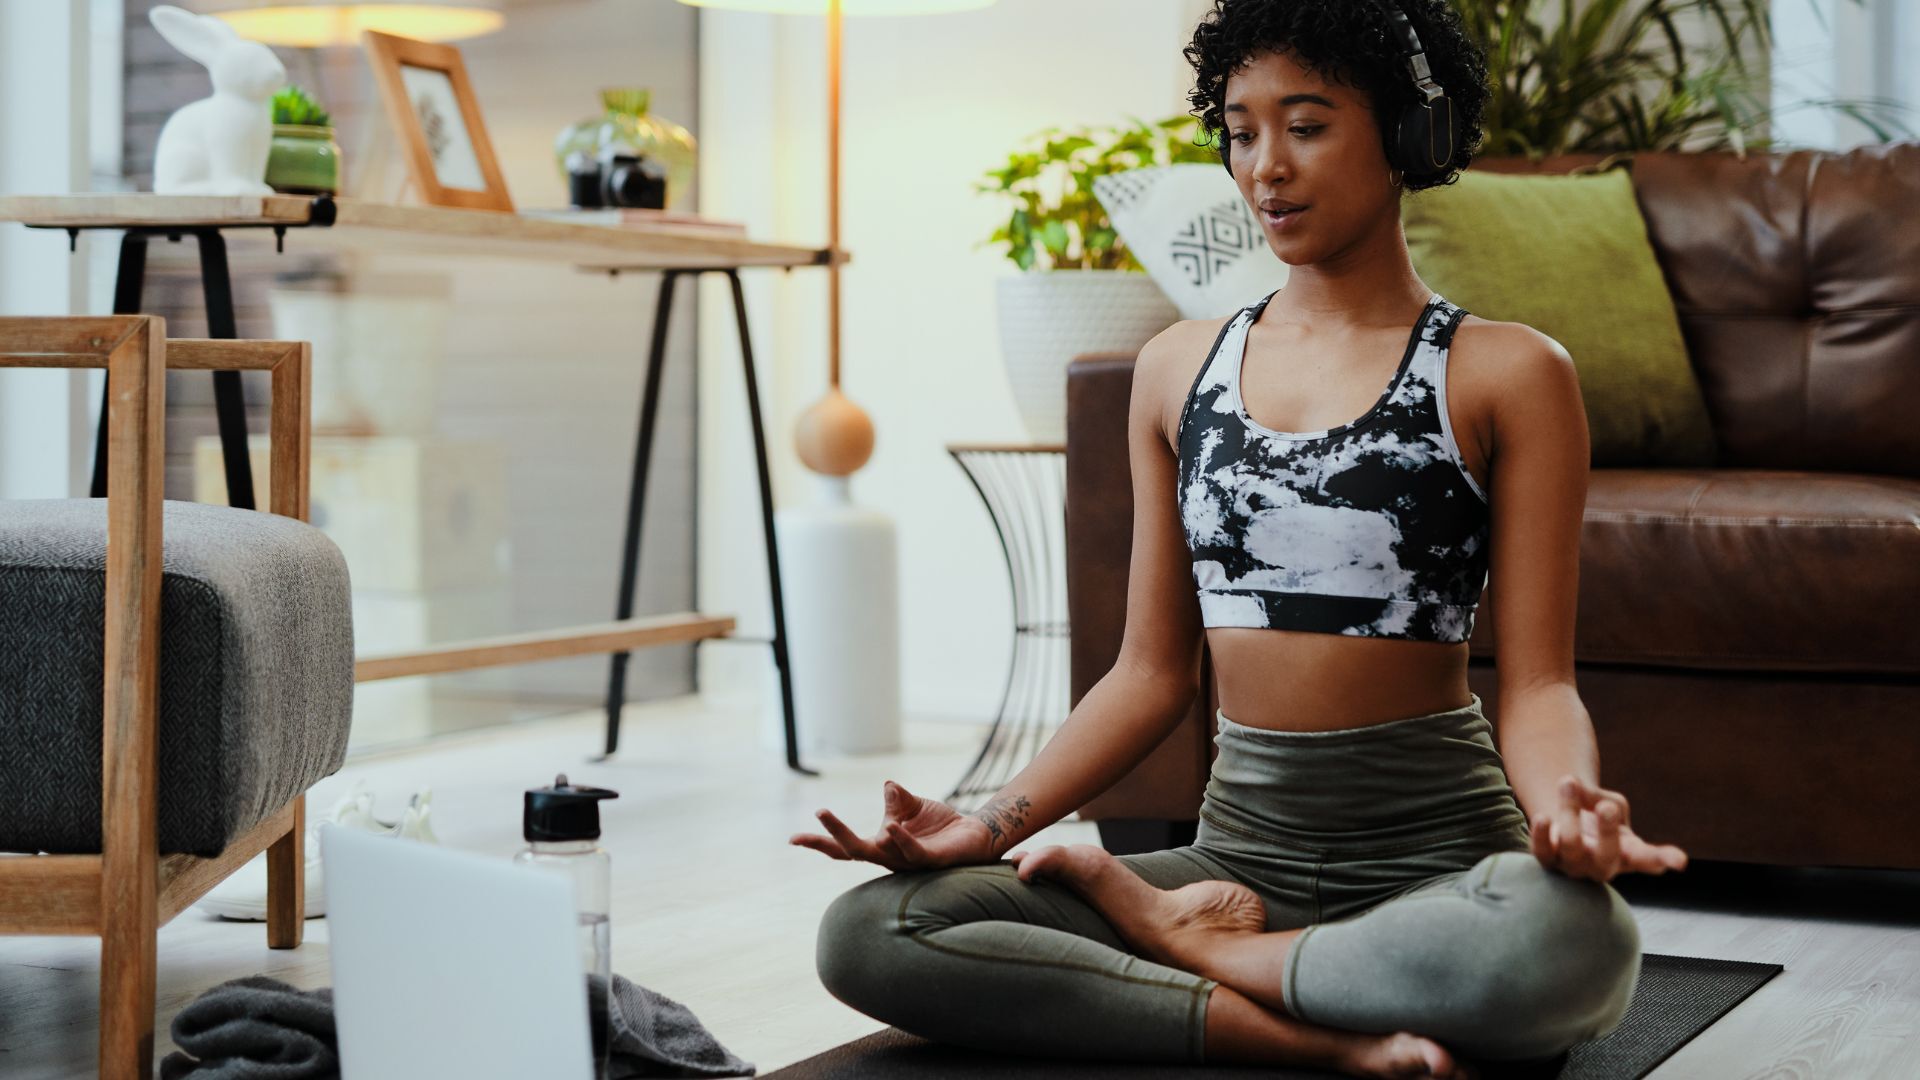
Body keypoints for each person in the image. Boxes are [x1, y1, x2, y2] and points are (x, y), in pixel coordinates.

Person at [790, 2, 1690, 1076]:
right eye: (1241, 128)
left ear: (1410, 134)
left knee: (1571, 947)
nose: (1266, 168)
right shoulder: (1176, 371)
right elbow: (1149, 671)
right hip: (1232, 859)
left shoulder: (1507, 373)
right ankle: (1288, 1020)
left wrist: (1565, 816)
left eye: (1307, 125)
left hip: (1438, 866)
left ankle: (1197, 956)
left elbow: (1539, 686)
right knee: (871, 930)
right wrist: (987, 825)